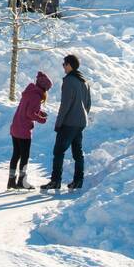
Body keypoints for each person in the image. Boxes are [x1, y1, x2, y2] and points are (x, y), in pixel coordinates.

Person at [41, 53, 92, 192]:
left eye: (64, 64)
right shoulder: (84, 81)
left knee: (58, 151)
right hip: (80, 122)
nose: (63, 67)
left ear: (70, 65)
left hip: (69, 122)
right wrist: (83, 116)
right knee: (77, 153)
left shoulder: (69, 81)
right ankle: (78, 180)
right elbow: (88, 103)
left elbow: (65, 105)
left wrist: (58, 123)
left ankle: (56, 181)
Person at [8, 70, 52, 190]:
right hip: (24, 130)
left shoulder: (29, 92)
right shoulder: (36, 96)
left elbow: (26, 109)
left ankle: (11, 181)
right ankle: (22, 181)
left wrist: (39, 112)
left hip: (15, 127)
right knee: (25, 156)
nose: (46, 92)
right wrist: (41, 119)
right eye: (47, 89)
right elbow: (30, 113)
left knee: (16, 154)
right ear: (44, 88)